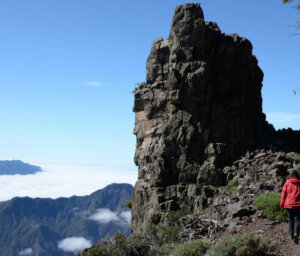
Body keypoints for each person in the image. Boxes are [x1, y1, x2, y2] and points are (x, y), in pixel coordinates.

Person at [280, 169, 300, 244]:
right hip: (298, 205)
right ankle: (296, 233)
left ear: (290, 175)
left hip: (288, 205)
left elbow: (283, 195)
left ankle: (291, 234)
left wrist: (282, 204)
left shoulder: (287, 183)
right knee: (297, 220)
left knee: (290, 219)